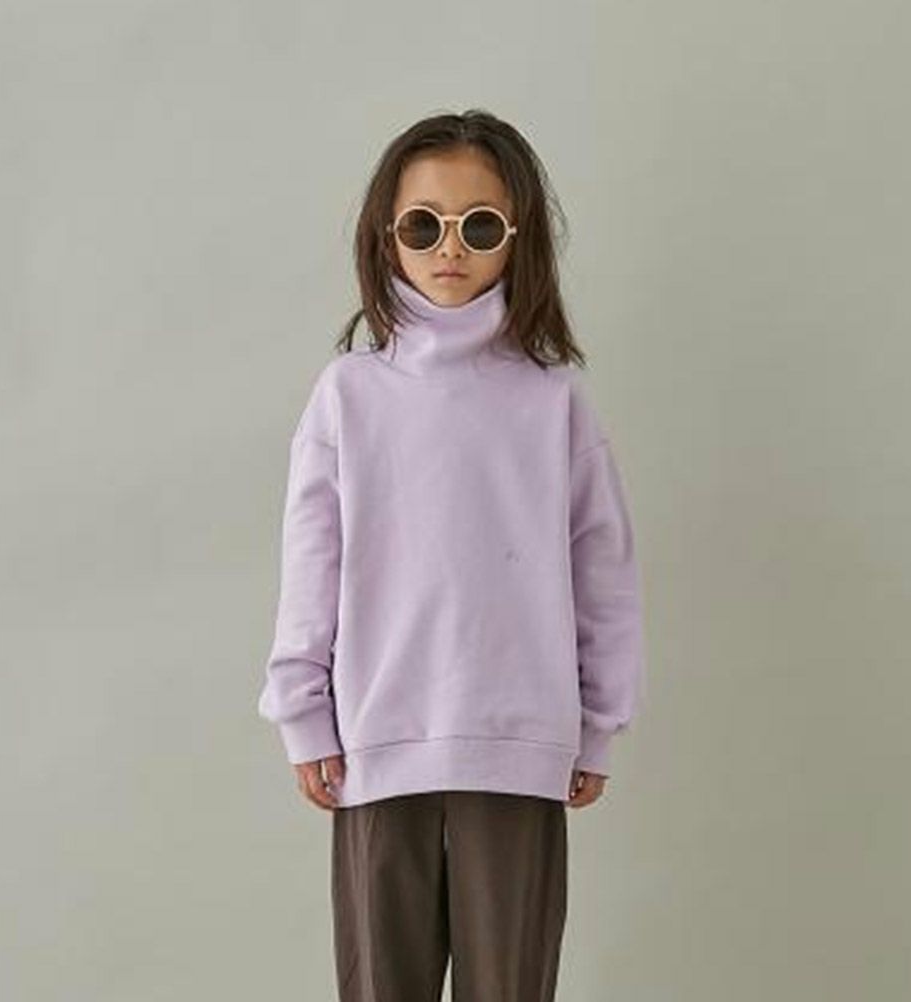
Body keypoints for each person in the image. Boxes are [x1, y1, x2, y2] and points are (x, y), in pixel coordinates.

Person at [256, 108, 647, 1002]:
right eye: (423, 224)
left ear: (518, 237)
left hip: (519, 743)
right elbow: (311, 560)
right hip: (377, 741)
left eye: (480, 225)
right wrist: (303, 711)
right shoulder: (348, 395)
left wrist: (599, 721)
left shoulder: (554, 401)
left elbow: (603, 571)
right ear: (385, 235)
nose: (450, 248)